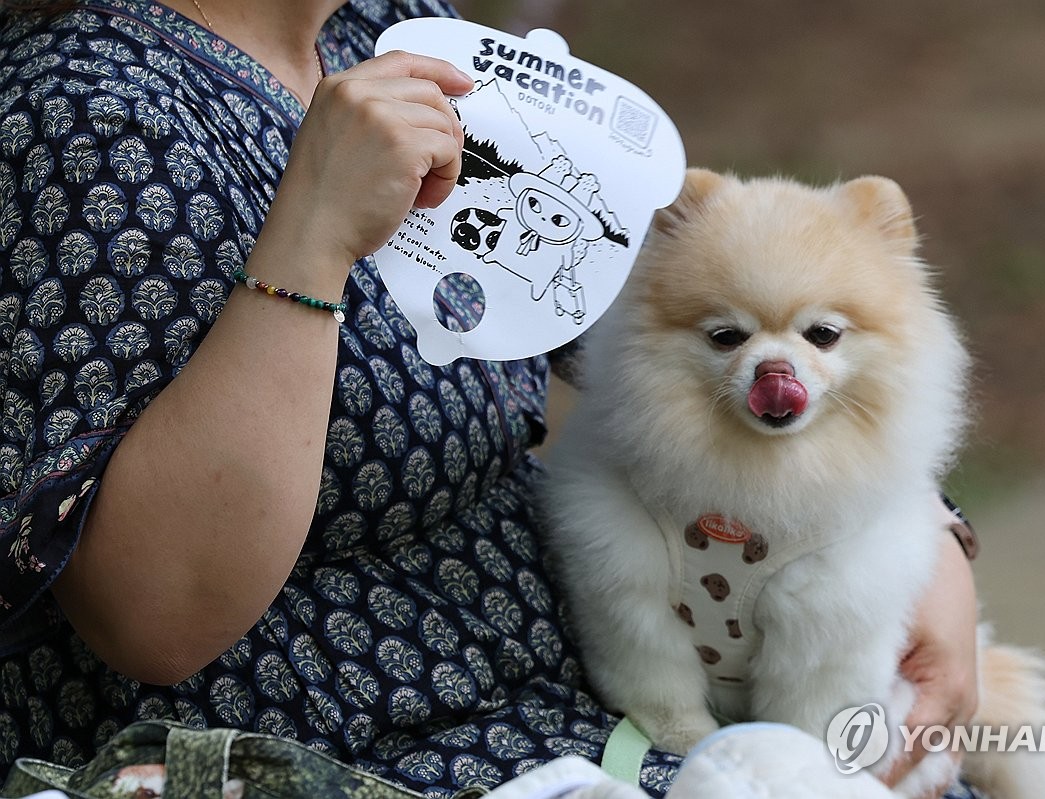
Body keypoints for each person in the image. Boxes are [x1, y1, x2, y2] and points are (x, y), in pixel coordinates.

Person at [0, 1, 983, 796]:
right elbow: (157, 617)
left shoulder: (389, 26)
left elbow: (658, 329)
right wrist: (311, 237)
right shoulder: (87, 107)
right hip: (359, 748)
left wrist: (915, 529)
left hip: (590, 697)